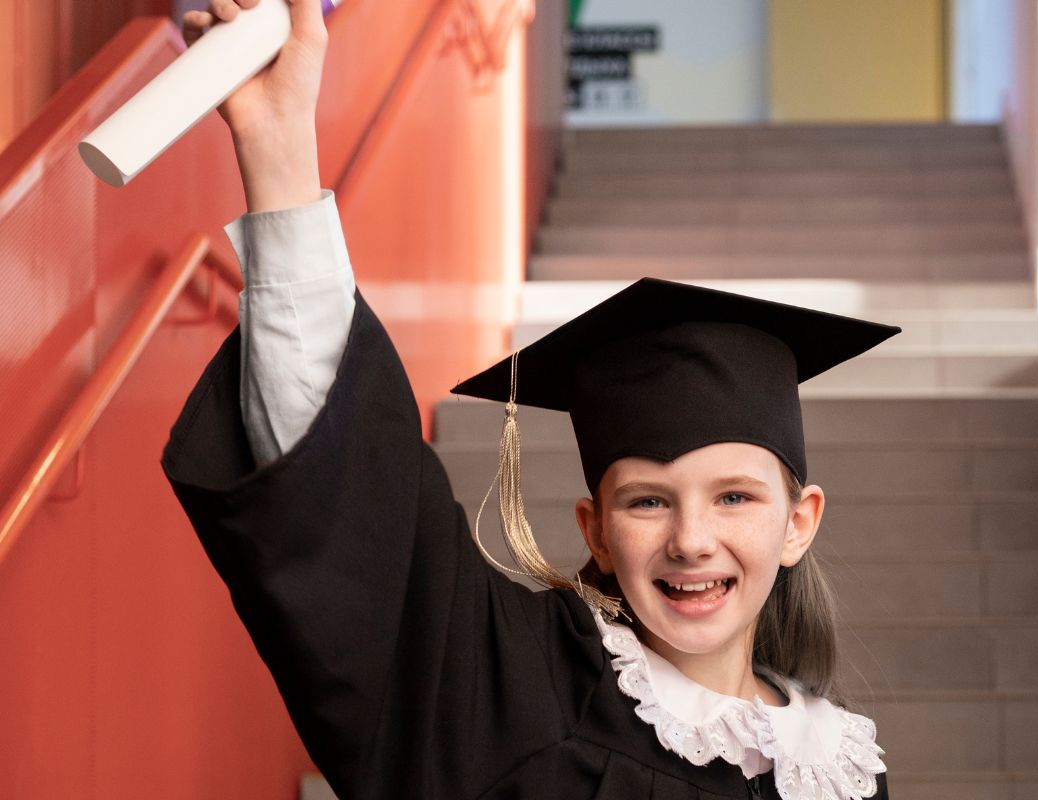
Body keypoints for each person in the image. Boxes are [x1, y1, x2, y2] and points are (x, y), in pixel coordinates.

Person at [163, 2, 894, 798]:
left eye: (733, 497)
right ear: (597, 532)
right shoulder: (514, 689)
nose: (691, 540)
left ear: (799, 522)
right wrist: (279, 155)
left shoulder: (839, 767)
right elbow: (358, 518)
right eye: (647, 500)